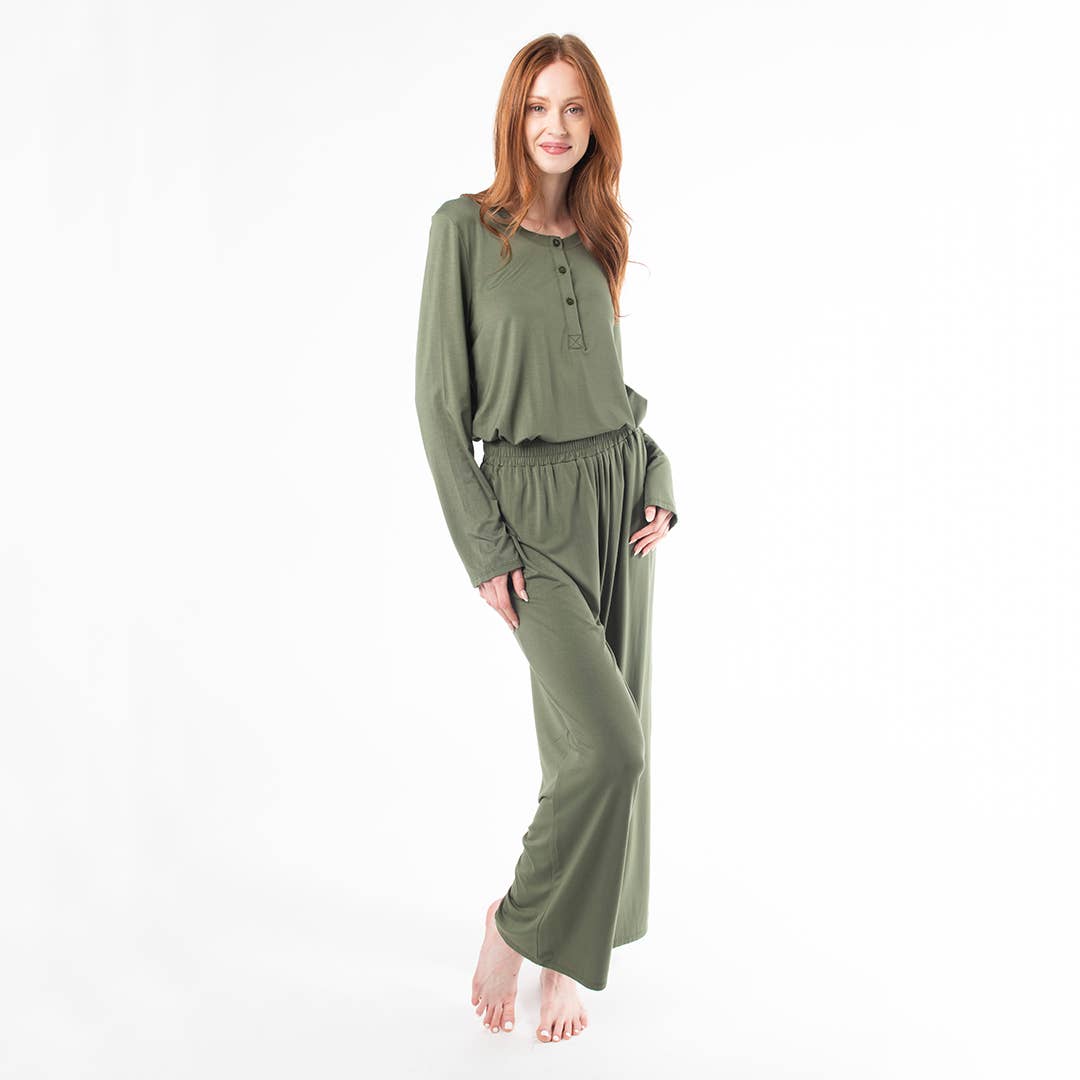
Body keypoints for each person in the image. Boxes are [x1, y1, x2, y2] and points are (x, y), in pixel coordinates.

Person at [413, 33, 679, 1045]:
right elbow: (439, 405)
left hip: (619, 502)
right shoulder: (464, 230)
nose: (555, 126)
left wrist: (658, 480)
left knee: (587, 748)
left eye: (573, 107)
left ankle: (569, 953)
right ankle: (517, 924)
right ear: (513, 117)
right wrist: (485, 548)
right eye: (538, 107)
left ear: (594, 120)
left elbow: (610, 394)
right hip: (528, 512)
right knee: (611, 748)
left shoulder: (602, 237)